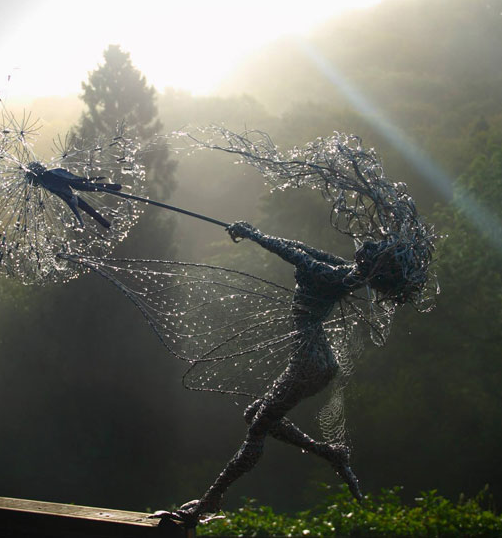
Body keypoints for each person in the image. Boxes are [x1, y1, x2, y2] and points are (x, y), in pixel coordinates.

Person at [157, 219, 428, 525]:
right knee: (255, 414)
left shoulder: (329, 274)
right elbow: (303, 249)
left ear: (376, 263)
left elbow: (293, 255)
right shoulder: (344, 271)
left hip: (308, 365)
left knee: (256, 430)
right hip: (314, 361)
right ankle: (329, 453)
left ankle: (209, 501)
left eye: (378, 248)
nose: (371, 243)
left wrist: (252, 234)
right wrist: (255, 233)